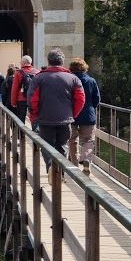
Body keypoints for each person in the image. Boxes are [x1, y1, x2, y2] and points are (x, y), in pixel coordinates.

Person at [28, 48, 85, 177]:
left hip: (45, 119)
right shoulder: (73, 78)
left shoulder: (39, 78)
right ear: (62, 62)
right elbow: (81, 99)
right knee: (62, 146)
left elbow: (32, 100)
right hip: (65, 119)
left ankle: (50, 167)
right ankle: (60, 172)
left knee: (46, 146)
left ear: (48, 61)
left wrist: (34, 115)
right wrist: (72, 114)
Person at [68, 58, 101, 174]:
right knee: (88, 140)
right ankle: (86, 158)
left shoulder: (69, 81)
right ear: (84, 68)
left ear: (71, 69)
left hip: (72, 114)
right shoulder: (91, 81)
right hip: (88, 115)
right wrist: (91, 108)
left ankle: (74, 164)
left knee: (72, 140)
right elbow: (97, 98)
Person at [8, 55, 35, 121]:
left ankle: (21, 128)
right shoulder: (36, 72)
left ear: (23, 63)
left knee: (21, 119)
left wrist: (13, 102)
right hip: (33, 98)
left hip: (21, 99)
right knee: (34, 118)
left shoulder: (18, 73)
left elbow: (14, 89)